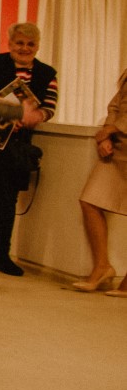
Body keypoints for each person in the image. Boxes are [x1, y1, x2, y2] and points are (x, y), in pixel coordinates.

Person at [0, 22, 58, 276]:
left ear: (37, 46)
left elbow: (49, 107)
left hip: (12, 150)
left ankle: (0, 257)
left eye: (30, 44)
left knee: (4, 204)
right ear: (10, 44)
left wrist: (35, 117)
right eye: (19, 43)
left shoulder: (47, 73)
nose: (24, 48)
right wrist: (10, 114)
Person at [74, 66, 127, 295]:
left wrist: (113, 129)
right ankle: (102, 266)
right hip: (119, 148)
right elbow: (115, 105)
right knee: (90, 200)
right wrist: (106, 133)